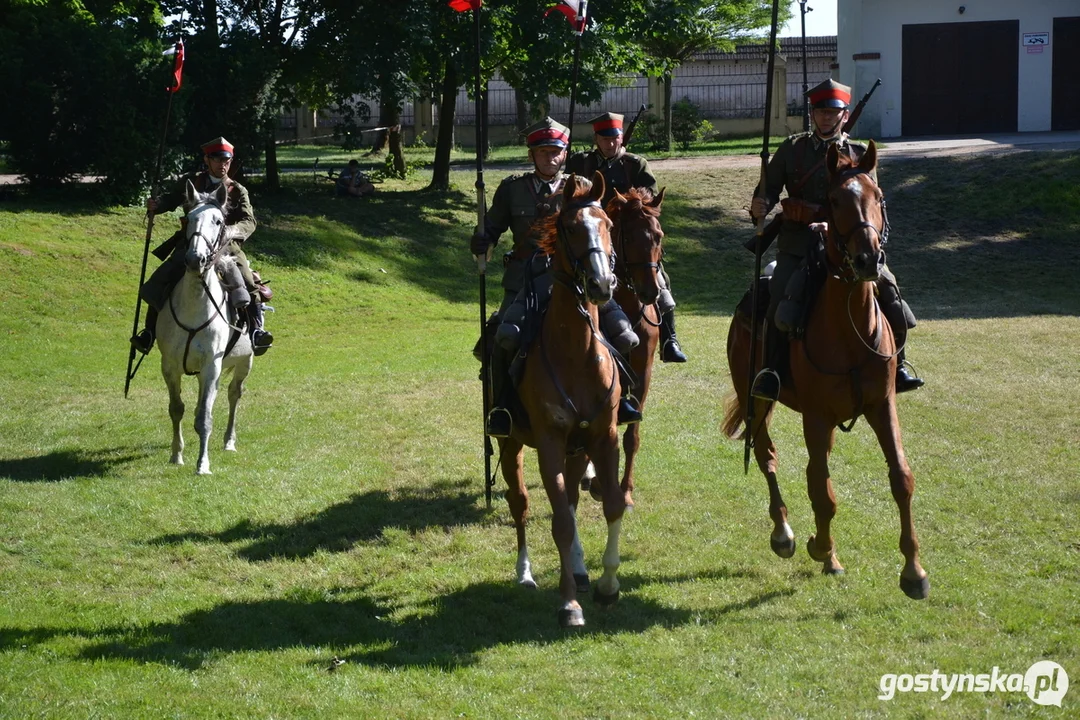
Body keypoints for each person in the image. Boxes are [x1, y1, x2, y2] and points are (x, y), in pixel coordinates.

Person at [748, 79, 923, 401]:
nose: (826, 118)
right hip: (798, 244)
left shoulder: (859, 154)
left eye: (833, 112)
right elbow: (769, 189)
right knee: (779, 301)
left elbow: (870, 203)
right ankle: (771, 373)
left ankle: (898, 365)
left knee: (891, 293)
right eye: (820, 112)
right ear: (812, 114)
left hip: (847, 248)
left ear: (844, 115)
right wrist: (760, 203)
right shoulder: (793, 148)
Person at [471, 117, 641, 438]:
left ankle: (624, 400)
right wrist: (482, 240)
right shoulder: (512, 189)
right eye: (543, 152)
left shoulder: (584, 188)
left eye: (557, 152)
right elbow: (491, 229)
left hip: (576, 282)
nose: (551, 158)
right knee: (504, 338)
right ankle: (503, 408)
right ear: (531, 154)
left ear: (565, 153)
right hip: (524, 282)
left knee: (624, 334)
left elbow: (599, 232)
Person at [132, 137, 273, 355]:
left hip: (226, 248)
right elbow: (169, 200)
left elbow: (249, 221)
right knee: (161, 279)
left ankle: (256, 331)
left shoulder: (236, 190)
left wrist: (230, 232)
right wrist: (156, 205)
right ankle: (149, 333)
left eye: (226, 160)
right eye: (217, 159)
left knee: (247, 280)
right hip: (192, 244)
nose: (222, 164)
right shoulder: (192, 182)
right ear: (207, 159)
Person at [566, 112, 688, 363]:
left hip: (628, 235)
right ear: (596, 139)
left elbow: (650, 201)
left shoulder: (635, 164)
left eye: (615, 139)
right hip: (594, 235)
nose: (611, 144)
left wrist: (630, 204)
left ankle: (669, 339)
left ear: (622, 138)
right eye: (605, 139)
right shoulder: (581, 162)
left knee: (660, 284)